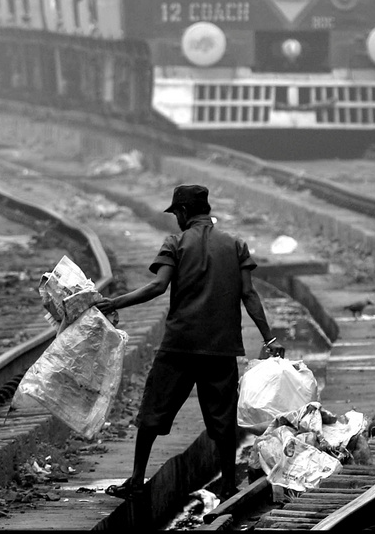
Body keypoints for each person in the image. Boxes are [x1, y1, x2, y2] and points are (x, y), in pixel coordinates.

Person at [94, 184, 283, 500]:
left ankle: (137, 480)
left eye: (176, 214)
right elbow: (249, 294)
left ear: (182, 212)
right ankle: (226, 486)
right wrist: (270, 337)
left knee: (153, 410)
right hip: (221, 347)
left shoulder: (175, 243)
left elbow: (157, 287)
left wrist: (115, 303)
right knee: (222, 419)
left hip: (179, 345)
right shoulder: (236, 245)